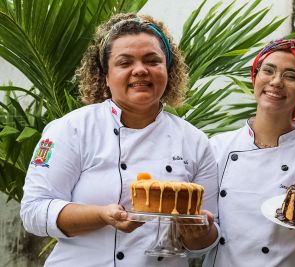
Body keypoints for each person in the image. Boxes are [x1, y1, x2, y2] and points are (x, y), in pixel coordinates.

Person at [20, 13, 220, 267]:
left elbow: (206, 240)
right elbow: (33, 212)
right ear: (104, 75)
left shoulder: (195, 141)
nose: (140, 70)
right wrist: (103, 215)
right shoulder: (71, 129)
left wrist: (200, 234)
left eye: (152, 61)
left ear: (168, 71)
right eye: (125, 62)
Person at [203, 39, 295, 267]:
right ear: (255, 77)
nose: (276, 82)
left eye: (290, 76)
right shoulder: (218, 147)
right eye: (268, 71)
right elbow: (201, 232)